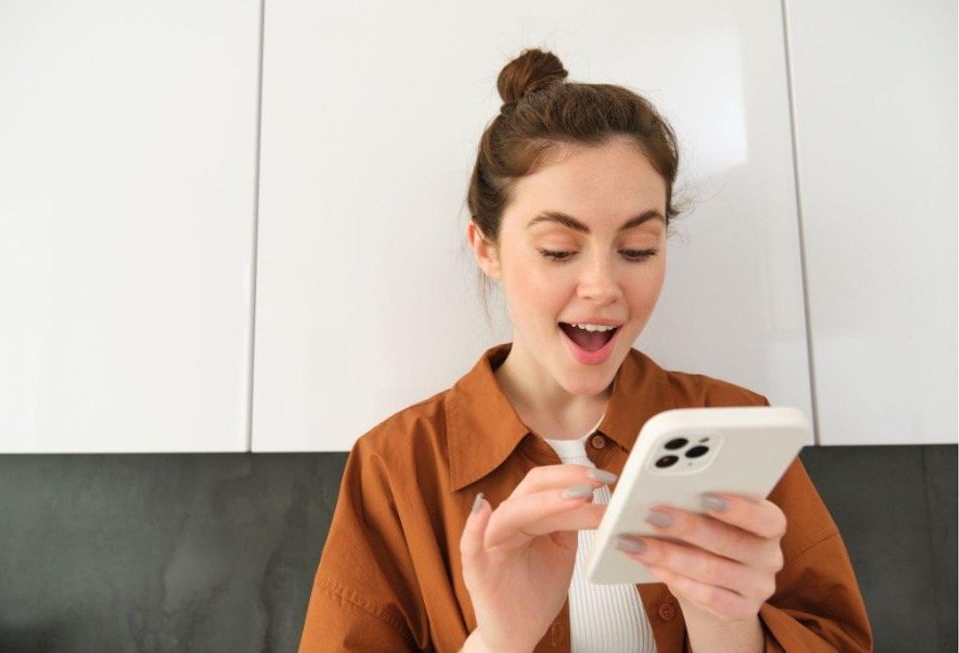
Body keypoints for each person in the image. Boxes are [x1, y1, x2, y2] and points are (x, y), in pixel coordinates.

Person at [298, 48, 873, 652]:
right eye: (558, 249)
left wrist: (730, 627)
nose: (603, 287)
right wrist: (499, 641)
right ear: (486, 247)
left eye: (638, 249)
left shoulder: (738, 428)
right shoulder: (396, 465)